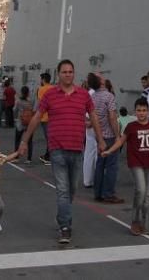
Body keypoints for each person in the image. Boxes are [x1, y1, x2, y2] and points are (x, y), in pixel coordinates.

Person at [18, 59, 105, 245]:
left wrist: (100, 139)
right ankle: (65, 227)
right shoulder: (49, 95)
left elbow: (95, 117)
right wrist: (24, 140)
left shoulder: (83, 95)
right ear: (59, 74)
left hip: (77, 149)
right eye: (64, 72)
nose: (68, 74)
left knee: (72, 190)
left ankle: (62, 216)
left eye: (70, 71)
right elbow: (36, 117)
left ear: (74, 74)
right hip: (57, 150)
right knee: (63, 191)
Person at [102, 97, 149, 235]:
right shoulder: (131, 127)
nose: (141, 113)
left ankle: (143, 222)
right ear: (135, 112)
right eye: (139, 110)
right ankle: (135, 221)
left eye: (144, 110)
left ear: (148, 111)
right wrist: (110, 151)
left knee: (146, 197)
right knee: (140, 189)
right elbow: (121, 142)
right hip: (135, 162)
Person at [92, 74, 123, 203]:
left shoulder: (93, 97)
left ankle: (98, 192)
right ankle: (109, 193)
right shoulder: (109, 96)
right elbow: (112, 117)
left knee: (100, 164)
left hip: (99, 135)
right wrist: (117, 136)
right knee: (111, 166)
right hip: (109, 135)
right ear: (101, 81)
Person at [83, 73, 101, 188]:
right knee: (96, 154)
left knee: (89, 153)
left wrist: (87, 122)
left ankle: (88, 180)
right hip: (97, 126)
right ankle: (95, 178)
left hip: (90, 127)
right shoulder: (97, 95)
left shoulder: (87, 94)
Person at [13, 86, 34, 164]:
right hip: (29, 122)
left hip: (20, 123)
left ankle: (16, 157)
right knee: (29, 141)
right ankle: (29, 159)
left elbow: (14, 110)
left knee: (17, 140)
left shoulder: (18, 101)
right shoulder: (30, 101)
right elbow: (33, 110)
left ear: (21, 92)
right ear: (28, 92)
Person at [36, 73, 54, 165]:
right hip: (53, 116)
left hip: (45, 117)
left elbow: (40, 103)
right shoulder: (53, 88)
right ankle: (48, 155)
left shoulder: (41, 89)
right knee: (51, 137)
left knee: (48, 138)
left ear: (43, 79)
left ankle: (49, 157)